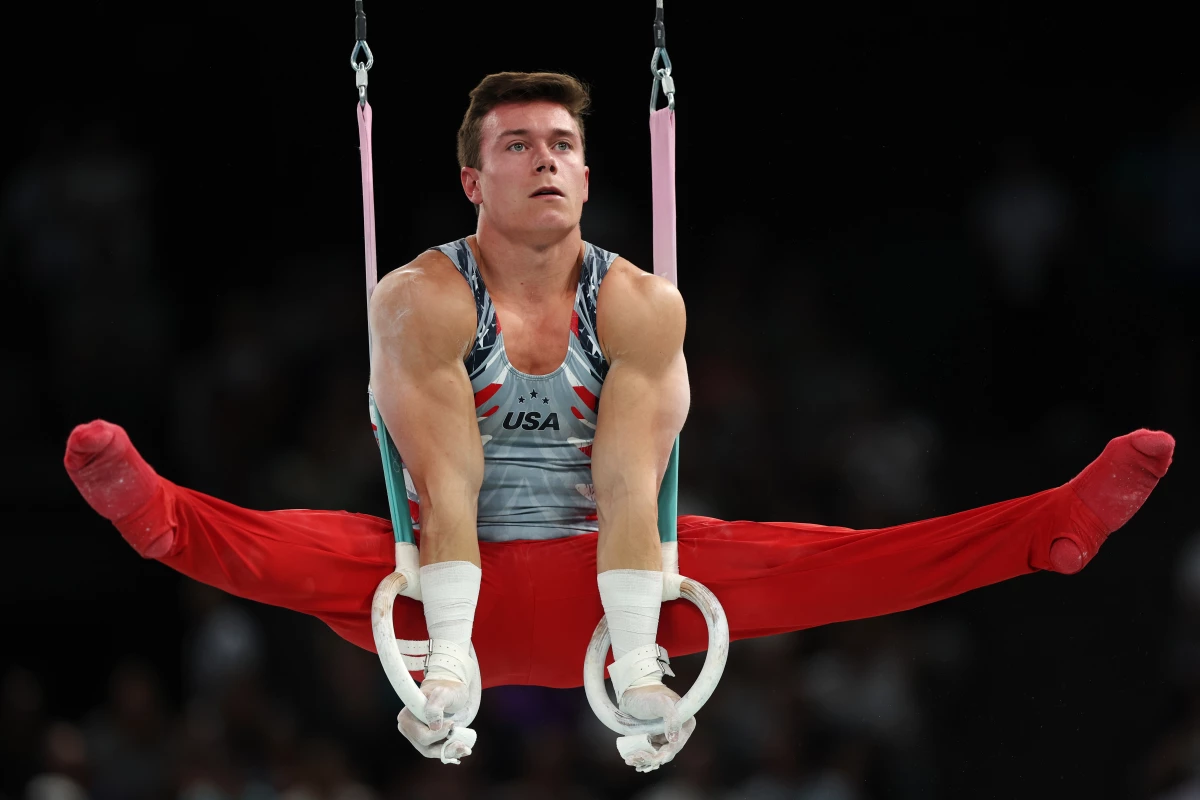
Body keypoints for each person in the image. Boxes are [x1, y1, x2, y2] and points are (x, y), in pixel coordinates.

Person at [64, 72, 1176, 773]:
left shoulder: (640, 302)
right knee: (300, 545)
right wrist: (446, 663)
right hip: (448, 590)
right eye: (516, 144)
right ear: (471, 177)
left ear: (591, 172)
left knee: (845, 564)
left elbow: (632, 483)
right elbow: (443, 480)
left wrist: (639, 665)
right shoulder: (418, 297)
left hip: (620, 586)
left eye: (559, 143)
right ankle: (156, 516)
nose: (544, 157)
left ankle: (1053, 528)